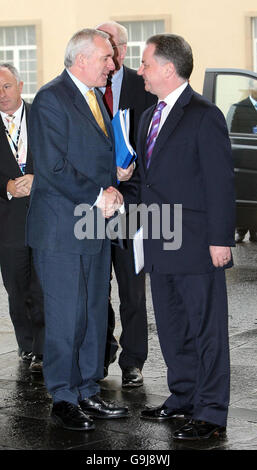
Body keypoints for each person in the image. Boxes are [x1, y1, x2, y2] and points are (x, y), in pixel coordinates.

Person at [133, 34, 235, 441]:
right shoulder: (147, 116)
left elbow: (220, 182)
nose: (139, 70)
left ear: (168, 69)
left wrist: (220, 239)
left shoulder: (204, 114)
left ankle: (211, 411)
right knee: (173, 325)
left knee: (206, 328)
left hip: (196, 241)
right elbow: (148, 179)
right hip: (159, 238)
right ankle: (183, 397)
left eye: (145, 63)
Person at [26, 28, 129, 432]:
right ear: (82, 58)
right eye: (106, 57)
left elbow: (95, 153)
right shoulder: (51, 98)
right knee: (66, 316)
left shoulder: (93, 97)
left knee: (91, 312)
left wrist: (118, 171)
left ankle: (87, 388)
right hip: (61, 230)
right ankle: (63, 397)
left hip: (92, 224)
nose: (112, 64)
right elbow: (51, 167)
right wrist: (97, 192)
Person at [96, 21, 157, 387]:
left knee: (132, 290)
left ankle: (133, 361)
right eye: (105, 46)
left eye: (116, 45)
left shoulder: (141, 86)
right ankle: (101, 354)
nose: (113, 54)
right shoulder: (87, 86)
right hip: (91, 205)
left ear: (125, 48)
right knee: (96, 289)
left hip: (133, 205)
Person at [0, 63, 44, 373]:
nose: (1, 94)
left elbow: (59, 157)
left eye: (6, 86)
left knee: (42, 288)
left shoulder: (41, 118)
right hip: (8, 220)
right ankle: (26, 346)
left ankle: (43, 349)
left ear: (20, 84)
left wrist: (37, 179)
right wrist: (6, 186)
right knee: (17, 290)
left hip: (44, 217)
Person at [227, 79, 257, 243]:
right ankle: (241, 230)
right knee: (244, 190)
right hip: (245, 158)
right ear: (250, 89)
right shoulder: (239, 107)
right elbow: (232, 131)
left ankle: (254, 231)